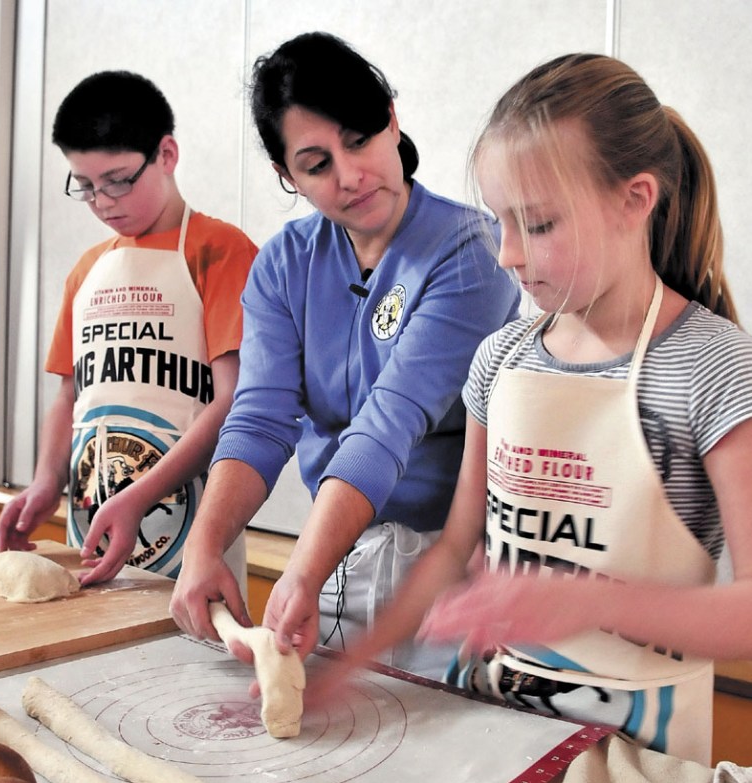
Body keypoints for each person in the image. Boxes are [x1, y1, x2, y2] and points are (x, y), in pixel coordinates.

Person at [331, 52, 752, 765]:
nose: (506, 255)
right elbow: (455, 548)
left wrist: (583, 603)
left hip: (636, 757)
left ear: (634, 199)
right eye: (500, 222)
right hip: (488, 732)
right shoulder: (501, 360)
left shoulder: (712, 368)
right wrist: (348, 668)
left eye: (538, 224)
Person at [169, 32, 520, 678]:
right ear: (285, 175)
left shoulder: (470, 252)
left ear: (391, 119)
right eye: (316, 163)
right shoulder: (283, 266)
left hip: (447, 580)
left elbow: (388, 422)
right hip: (336, 562)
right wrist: (204, 544)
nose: (350, 176)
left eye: (358, 140)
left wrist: (304, 565)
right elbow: (259, 419)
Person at [0, 70, 258, 583]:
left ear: (166, 154)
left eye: (117, 181)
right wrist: (45, 482)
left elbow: (234, 402)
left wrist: (141, 495)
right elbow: (69, 396)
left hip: (193, 531)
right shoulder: (87, 270)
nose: (102, 201)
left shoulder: (220, 251)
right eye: (86, 186)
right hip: (91, 520)